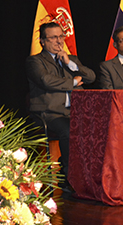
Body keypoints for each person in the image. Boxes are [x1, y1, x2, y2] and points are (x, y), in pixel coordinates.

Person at [26, 22, 96, 190]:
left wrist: (71, 65)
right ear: (43, 41)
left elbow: (91, 77)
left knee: (95, 127)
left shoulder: (70, 59)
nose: (59, 41)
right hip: (48, 112)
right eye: (53, 37)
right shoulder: (35, 61)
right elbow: (46, 81)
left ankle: (89, 175)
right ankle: (68, 177)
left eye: (61, 36)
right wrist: (73, 82)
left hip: (74, 111)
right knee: (68, 129)